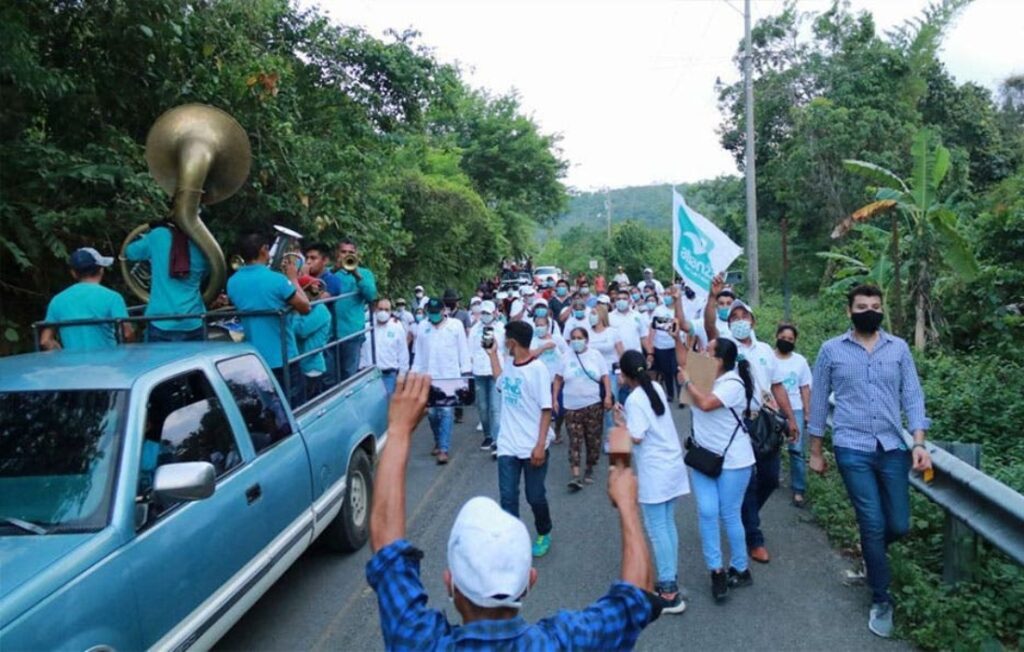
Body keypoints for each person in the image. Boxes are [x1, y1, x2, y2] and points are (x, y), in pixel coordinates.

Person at [367, 373, 662, 649]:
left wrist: (399, 431)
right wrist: (627, 505)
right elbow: (634, 597)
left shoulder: (418, 641)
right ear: (529, 582)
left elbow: (386, 544)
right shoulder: (564, 642)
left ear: (450, 584)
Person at [808, 284, 932, 639]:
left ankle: (870, 551)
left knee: (899, 524)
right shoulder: (831, 350)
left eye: (875, 306)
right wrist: (816, 451)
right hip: (852, 447)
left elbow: (912, 394)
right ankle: (881, 597)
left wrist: (919, 442)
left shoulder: (898, 349)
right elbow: (818, 403)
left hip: (893, 446)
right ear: (850, 311)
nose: (869, 311)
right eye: (862, 306)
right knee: (873, 522)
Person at [705, 293, 799, 563]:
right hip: (736, 424)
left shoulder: (766, 350)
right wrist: (712, 298)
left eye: (743, 316)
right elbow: (710, 326)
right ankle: (754, 537)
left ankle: (743, 516)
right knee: (747, 481)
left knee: (770, 477)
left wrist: (791, 418)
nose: (738, 321)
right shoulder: (725, 349)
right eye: (733, 318)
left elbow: (777, 385)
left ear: (753, 321)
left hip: (765, 421)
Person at [680, 338, 756, 602]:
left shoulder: (733, 383)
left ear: (720, 359)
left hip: (734, 460)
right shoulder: (703, 375)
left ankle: (740, 567)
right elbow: (684, 359)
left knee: (729, 513)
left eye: (708, 350)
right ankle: (716, 570)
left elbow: (706, 404)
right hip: (703, 457)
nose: (702, 353)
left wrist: (688, 381)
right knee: (707, 511)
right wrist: (680, 336)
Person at [617, 350, 690, 613]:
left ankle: (669, 592)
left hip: (655, 471)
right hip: (671, 465)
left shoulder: (635, 399)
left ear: (624, 375)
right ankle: (670, 581)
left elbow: (636, 436)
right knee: (667, 525)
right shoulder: (656, 387)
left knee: (658, 528)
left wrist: (620, 421)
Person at [487, 320, 555, 557]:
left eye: (505, 340)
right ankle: (512, 540)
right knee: (508, 497)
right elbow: (500, 383)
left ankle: (544, 531)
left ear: (513, 342)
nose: (504, 344)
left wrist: (539, 445)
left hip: (533, 446)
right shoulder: (509, 364)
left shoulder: (538, 370)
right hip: (507, 445)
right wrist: (492, 355)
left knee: (534, 496)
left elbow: (547, 410)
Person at [227, 233, 311, 406]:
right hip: (283, 358)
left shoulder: (232, 282)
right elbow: (305, 307)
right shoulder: (277, 280)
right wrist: (293, 279)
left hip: (255, 359)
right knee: (295, 408)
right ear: (264, 250)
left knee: (270, 409)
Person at [123, 221, 209, 342]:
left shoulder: (159, 235)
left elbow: (130, 252)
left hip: (161, 320)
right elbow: (207, 275)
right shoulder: (205, 244)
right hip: (194, 319)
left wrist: (149, 236)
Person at [412, 297, 470, 465]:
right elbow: (419, 354)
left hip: (449, 377)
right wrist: (414, 375)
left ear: (444, 311)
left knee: (445, 412)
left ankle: (444, 449)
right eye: (431, 313)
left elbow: (463, 351)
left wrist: (465, 376)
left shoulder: (455, 326)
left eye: (437, 313)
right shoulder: (423, 327)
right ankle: (438, 440)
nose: (434, 316)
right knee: (431, 414)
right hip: (428, 376)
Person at [553, 327, 612, 491]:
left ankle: (590, 467)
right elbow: (558, 379)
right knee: (575, 441)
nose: (576, 341)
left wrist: (607, 396)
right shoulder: (565, 357)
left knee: (593, 441)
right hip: (571, 407)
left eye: (579, 338)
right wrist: (555, 400)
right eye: (573, 338)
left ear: (586, 340)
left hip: (593, 405)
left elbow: (605, 377)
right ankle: (575, 475)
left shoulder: (595, 356)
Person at [41, 247, 131, 351]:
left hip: (74, 365)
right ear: (101, 270)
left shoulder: (57, 300)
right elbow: (127, 333)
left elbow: (45, 340)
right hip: (108, 364)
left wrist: (62, 355)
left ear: (73, 273)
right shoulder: (113, 297)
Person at [774, 323, 813, 507]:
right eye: (783, 338)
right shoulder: (768, 358)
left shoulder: (800, 361)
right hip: (772, 408)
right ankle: (770, 478)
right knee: (770, 446)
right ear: (777, 337)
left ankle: (798, 489)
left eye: (790, 339)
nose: (786, 341)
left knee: (796, 449)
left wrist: (807, 412)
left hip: (795, 408)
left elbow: (805, 387)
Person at [334, 238, 378, 381]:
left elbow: (372, 296)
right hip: (329, 334)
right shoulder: (329, 272)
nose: (347, 255)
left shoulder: (365, 274)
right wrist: (335, 269)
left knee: (349, 376)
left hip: (352, 333)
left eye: (351, 252)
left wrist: (356, 274)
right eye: (343, 252)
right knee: (329, 379)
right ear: (337, 254)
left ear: (356, 255)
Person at [468, 300, 505, 452]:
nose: (485, 316)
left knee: (496, 408)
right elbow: (469, 350)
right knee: (482, 407)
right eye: (482, 313)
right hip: (479, 371)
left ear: (495, 313)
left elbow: (504, 349)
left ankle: (497, 439)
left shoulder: (501, 329)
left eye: (488, 313)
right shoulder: (475, 330)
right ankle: (488, 435)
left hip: (496, 371)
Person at [530, 314, 568, 446]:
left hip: (557, 378)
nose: (539, 328)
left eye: (542, 325)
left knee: (560, 408)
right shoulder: (532, 340)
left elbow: (567, 354)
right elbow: (530, 355)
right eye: (537, 325)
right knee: (543, 408)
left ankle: (557, 427)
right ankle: (543, 432)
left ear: (548, 326)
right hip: (539, 380)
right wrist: (543, 347)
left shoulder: (557, 339)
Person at [292, 276, 333, 399]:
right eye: (310, 290)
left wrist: (294, 311)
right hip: (301, 365)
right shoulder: (309, 309)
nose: (314, 294)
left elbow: (300, 331)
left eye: (315, 290)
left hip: (311, 367)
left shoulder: (320, 309)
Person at [363, 298, 410, 396]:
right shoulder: (367, 327)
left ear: (390, 311)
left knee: (387, 407)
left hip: (388, 376)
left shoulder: (397, 327)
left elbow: (403, 353)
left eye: (386, 309)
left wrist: (402, 375)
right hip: (368, 376)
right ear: (375, 309)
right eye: (380, 309)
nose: (383, 312)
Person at [588, 304, 625, 429]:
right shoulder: (587, 333)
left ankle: (611, 439)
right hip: (592, 375)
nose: (591, 317)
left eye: (593, 314)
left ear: (601, 315)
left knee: (611, 405)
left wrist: (621, 373)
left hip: (610, 373)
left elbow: (621, 353)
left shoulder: (612, 332)